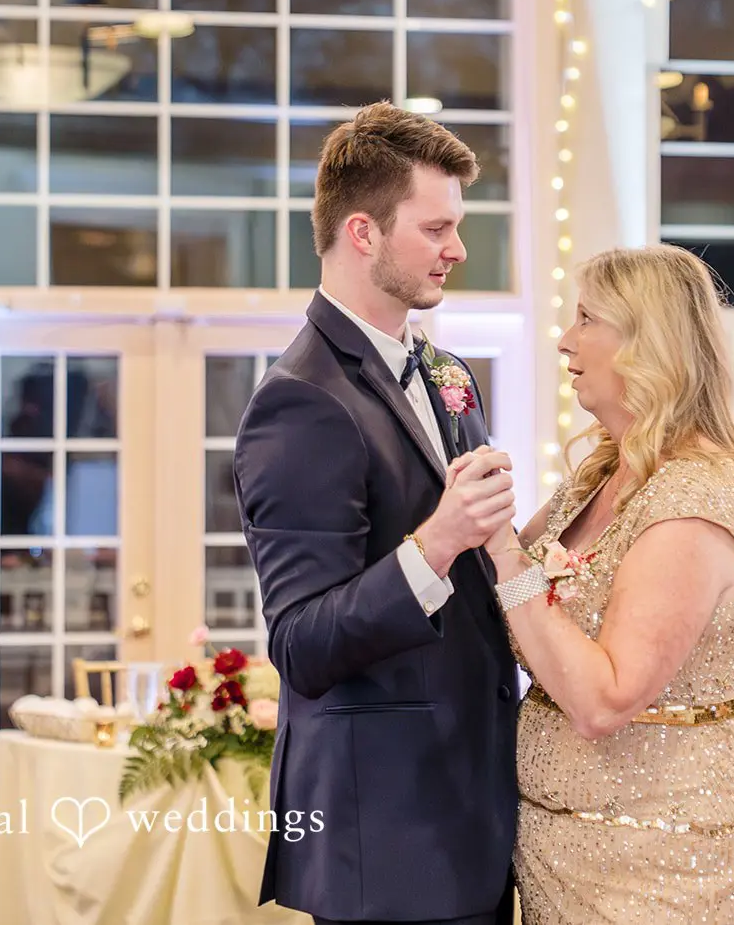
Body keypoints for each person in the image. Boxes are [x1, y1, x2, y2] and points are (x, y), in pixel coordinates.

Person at [233, 102, 519, 925]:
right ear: (362, 232)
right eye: (435, 228)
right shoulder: (299, 400)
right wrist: (437, 542)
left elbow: (474, 561)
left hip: (471, 807)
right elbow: (303, 644)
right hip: (389, 836)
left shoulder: (444, 370)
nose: (457, 249)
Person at [459, 244, 734, 922]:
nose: (565, 340)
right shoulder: (599, 475)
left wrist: (509, 555)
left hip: (665, 862)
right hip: (563, 847)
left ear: (649, 343)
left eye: (587, 319)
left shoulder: (691, 502)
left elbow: (605, 700)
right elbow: (511, 607)